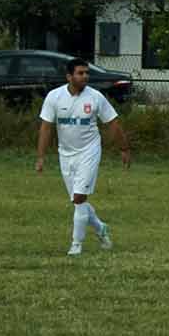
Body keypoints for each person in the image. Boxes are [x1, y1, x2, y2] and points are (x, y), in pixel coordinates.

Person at [35, 58, 131, 255]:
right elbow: (46, 127)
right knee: (77, 200)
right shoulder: (54, 97)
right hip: (65, 153)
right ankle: (100, 228)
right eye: (80, 73)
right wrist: (41, 156)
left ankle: (76, 245)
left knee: (79, 197)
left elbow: (113, 123)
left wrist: (124, 148)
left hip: (89, 151)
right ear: (69, 76)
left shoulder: (95, 97)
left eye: (87, 73)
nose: (85, 76)